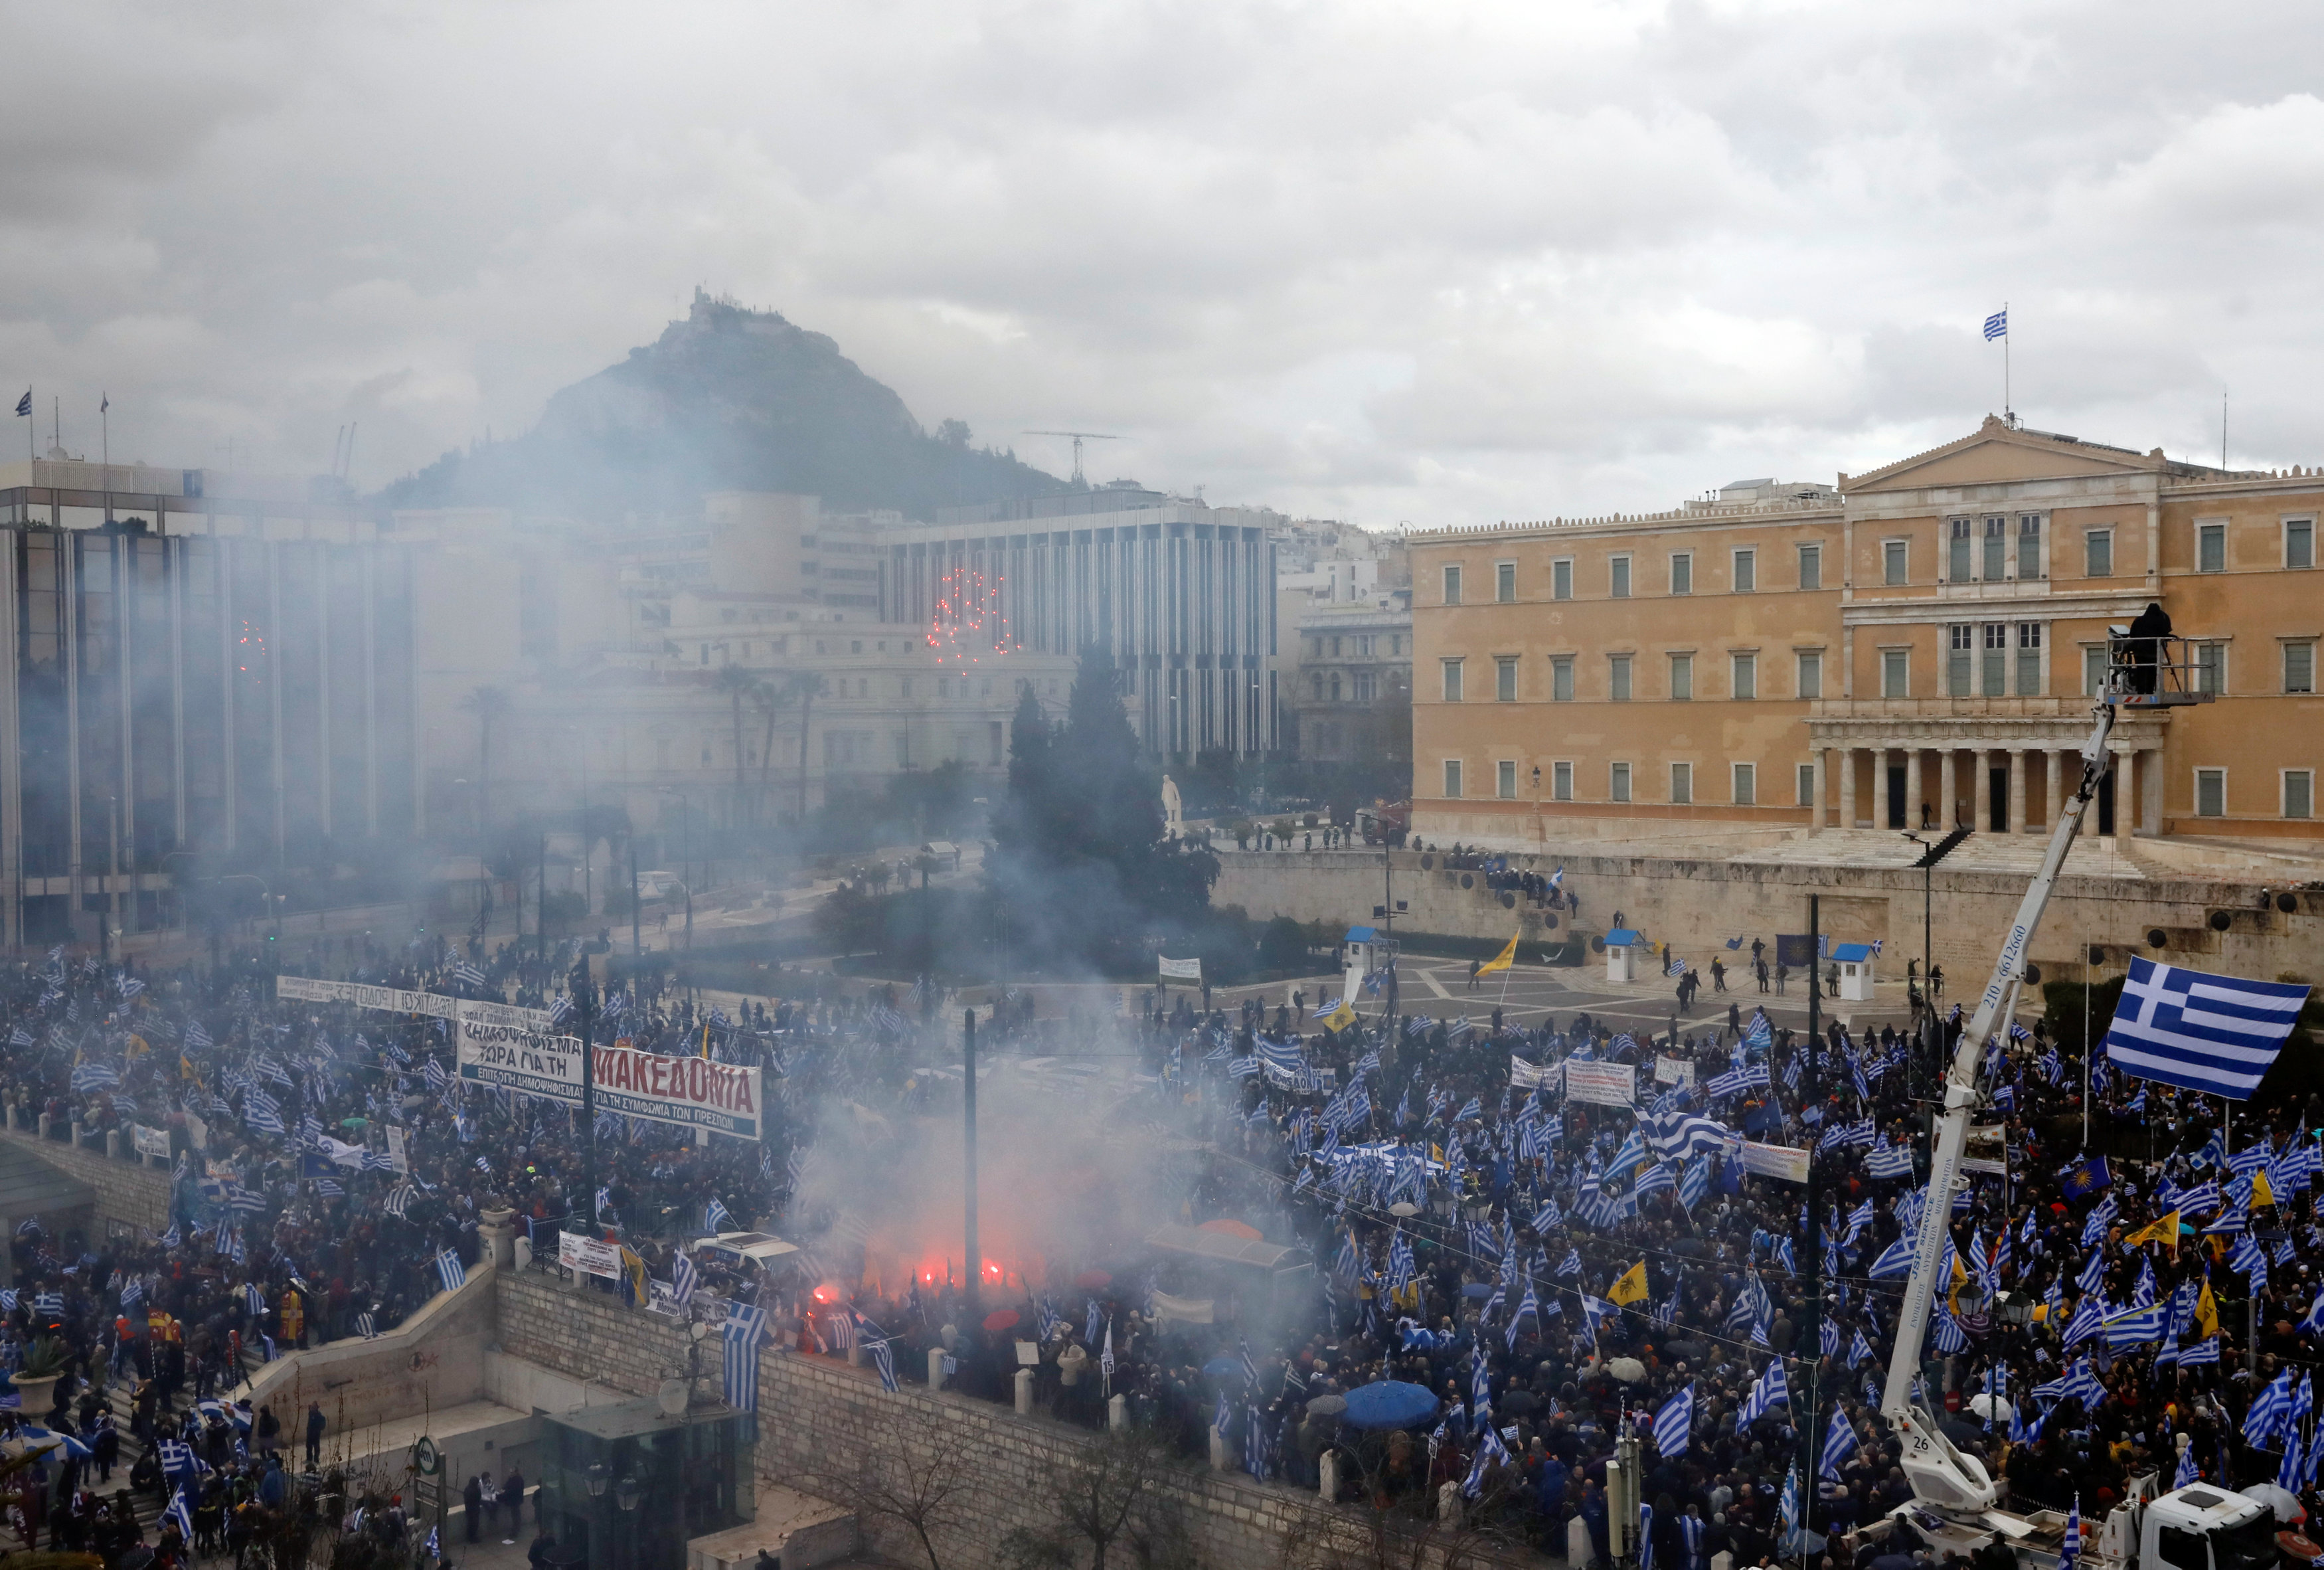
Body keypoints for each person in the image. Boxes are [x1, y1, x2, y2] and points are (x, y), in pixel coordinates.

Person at [463, 1472, 485, 1543]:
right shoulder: (475, 1490)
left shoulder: (467, 1489)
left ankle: (470, 1538)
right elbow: (478, 1498)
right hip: (474, 1510)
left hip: (469, 1509)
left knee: (470, 1524)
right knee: (474, 1524)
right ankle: (473, 1538)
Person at [305, 1401, 325, 1468]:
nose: (312, 1409)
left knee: (316, 1447)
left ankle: (316, 1459)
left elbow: (320, 1425)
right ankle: (309, 1459)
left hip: (316, 1434)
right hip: (310, 1433)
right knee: (309, 1446)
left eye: (313, 1408)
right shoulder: (311, 1414)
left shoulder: (319, 1416)